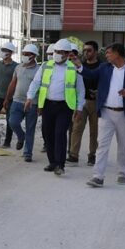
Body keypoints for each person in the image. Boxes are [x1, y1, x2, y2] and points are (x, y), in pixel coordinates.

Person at [71, 43, 125, 187]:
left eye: (109, 53)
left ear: (117, 53)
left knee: (124, 146)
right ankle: (98, 176)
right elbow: (91, 75)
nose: (107, 55)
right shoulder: (104, 67)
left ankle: (122, 173)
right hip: (106, 113)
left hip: (124, 114)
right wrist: (79, 66)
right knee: (102, 145)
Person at [26, 39, 85, 176]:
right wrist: (30, 97)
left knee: (60, 134)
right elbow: (36, 83)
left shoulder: (73, 68)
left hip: (65, 106)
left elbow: (80, 90)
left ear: (67, 54)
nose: (57, 54)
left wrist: (79, 108)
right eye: (56, 52)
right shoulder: (46, 66)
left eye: (61, 52)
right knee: (48, 134)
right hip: (47, 105)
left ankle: (60, 164)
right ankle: (52, 162)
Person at [4, 44, 41, 162]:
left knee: (30, 128)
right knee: (12, 122)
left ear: (34, 56)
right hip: (17, 101)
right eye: (23, 53)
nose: (24, 56)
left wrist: (40, 105)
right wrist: (7, 98)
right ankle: (21, 136)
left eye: (27, 54)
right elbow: (13, 83)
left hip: (32, 103)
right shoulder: (18, 68)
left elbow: (42, 88)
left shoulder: (39, 70)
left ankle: (27, 153)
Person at [68, 40, 101, 165]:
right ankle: (73, 154)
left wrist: (99, 91)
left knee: (95, 131)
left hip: (96, 102)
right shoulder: (79, 65)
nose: (86, 52)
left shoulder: (101, 66)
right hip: (81, 102)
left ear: (96, 52)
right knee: (76, 128)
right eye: (85, 50)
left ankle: (92, 155)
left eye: (89, 50)